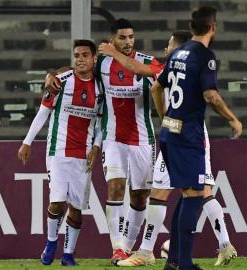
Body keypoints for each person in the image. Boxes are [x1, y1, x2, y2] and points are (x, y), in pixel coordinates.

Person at [99, 30, 238, 267]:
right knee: (195, 189)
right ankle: (223, 245)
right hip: (184, 131)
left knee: (175, 191)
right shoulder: (184, 68)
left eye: (169, 46)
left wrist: (113, 52)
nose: (165, 50)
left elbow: (141, 71)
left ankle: (147, 252)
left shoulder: (178, 67)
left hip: (185, 134)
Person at [44, 18, 164, 265]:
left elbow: (149, 73)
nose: (128, 41)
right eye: (122, 37)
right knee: (116, 188)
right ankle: (117, 248)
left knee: (140, 196)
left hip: (143, 139)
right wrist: (53, 74)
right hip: (113, 138)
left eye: (131, 36)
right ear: (113, 39)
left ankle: (129, 248)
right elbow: (79, 67)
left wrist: (114, 54)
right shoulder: (102, 64)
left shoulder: (146, 61)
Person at [151, 6, 243, 270]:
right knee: (193, 196)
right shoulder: (205, 56)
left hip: (170, 133)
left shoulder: (177, 53)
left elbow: (158, 87)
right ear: (213, 27)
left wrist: (165, 118)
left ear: (192, 28)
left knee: (186, 193)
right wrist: (232, 119)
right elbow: (211, 95)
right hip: (188, 135)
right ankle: (185, 264)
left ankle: (173, 262)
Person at [17, 39, 103, 266]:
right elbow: (43, 113)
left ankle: (68, 255)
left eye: (85, 55)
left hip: (83, 154)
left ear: (94, 58)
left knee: (76, 207)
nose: (80, 59)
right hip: (58, 150)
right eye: (76, 55)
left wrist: (96, 147)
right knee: (57, 202)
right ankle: (51, 242)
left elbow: (102, 123)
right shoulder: (60, 82)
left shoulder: (101, 88)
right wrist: (27, 142)